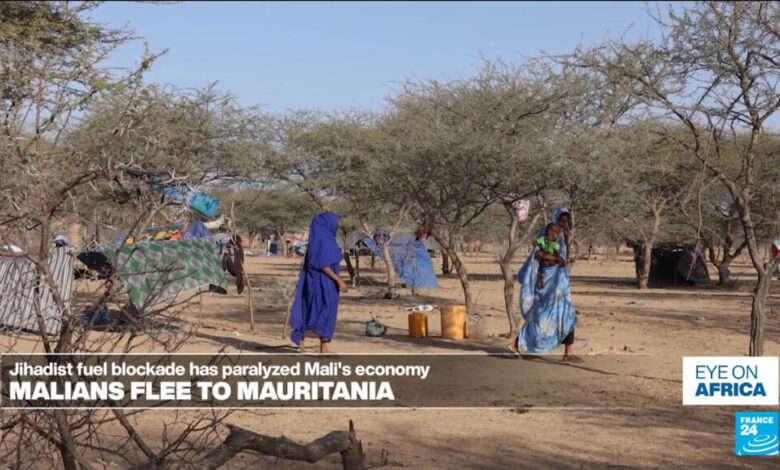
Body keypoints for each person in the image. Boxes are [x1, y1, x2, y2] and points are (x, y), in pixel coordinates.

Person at [509, 207, 580, 362]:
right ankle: (516, 343)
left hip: (559, 282)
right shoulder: (547, 232)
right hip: (546, 282)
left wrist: (565, 241)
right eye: (561, 220)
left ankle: (568, 352)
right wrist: (556, 259)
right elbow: (538, 254)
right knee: (541, 316)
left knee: (567, 312)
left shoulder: (562, 235)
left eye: (566, 221)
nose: (563, 223)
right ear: (556, 218)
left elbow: (565, 257)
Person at [289, 211, 348, 353]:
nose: (336, 226)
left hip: (311, 281)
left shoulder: (317, 240)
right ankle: (319, 343)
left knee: (311, 308)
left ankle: (317, 345)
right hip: (325, 282)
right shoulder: (325, 240)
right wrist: (339, 280)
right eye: (334, 223)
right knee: (326, 311)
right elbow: (322, 264)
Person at [536, 223, 564, 289]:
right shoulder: (544, 241)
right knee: (539, 269)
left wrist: (549, 256)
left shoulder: (556, 244)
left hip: (552, 269)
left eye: (552, 235)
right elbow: (536, 243)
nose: (549, 237)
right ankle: (539, 281)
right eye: (548, 234)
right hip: (543, 267)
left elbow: (559, 257)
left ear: (557, 236)